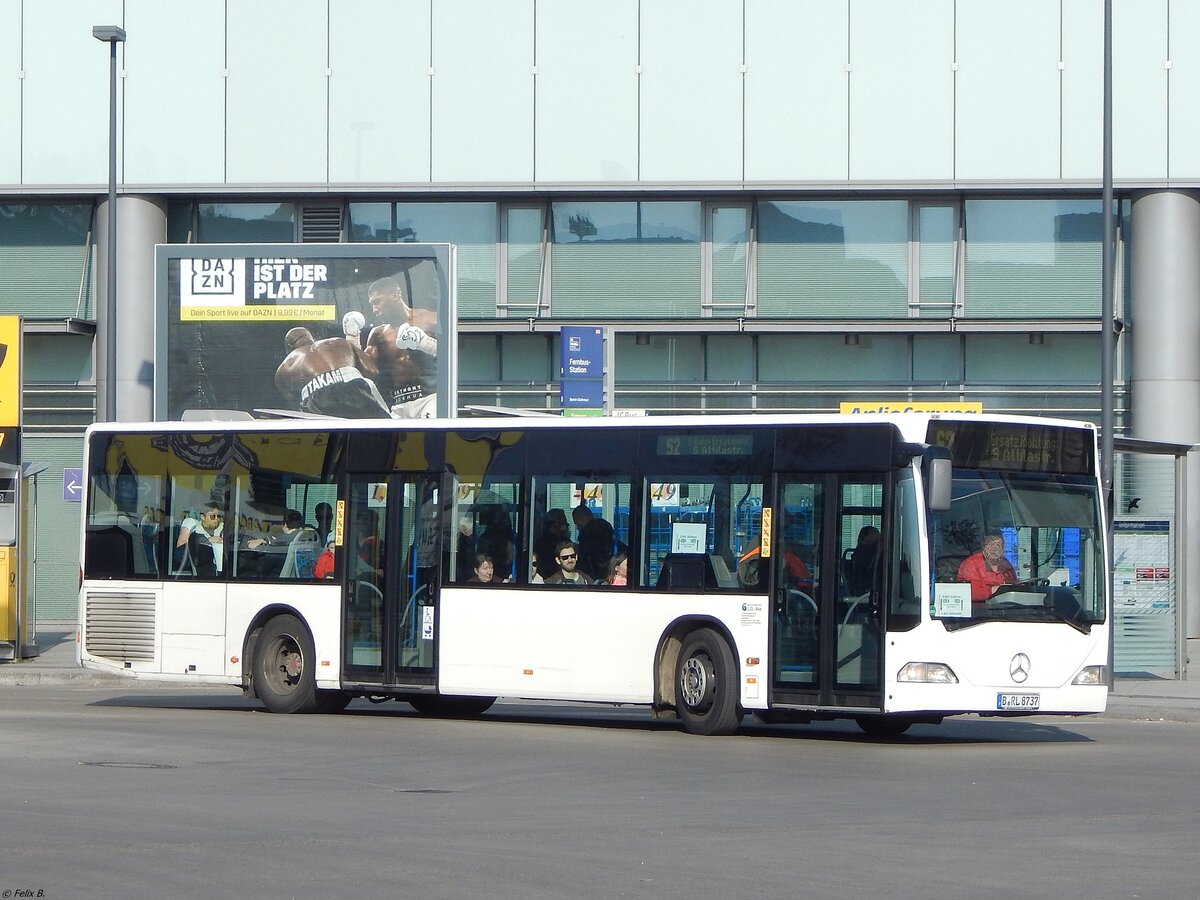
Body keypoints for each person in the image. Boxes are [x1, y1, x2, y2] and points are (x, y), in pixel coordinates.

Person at [273, 326, 391, 418]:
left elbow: (295, 407)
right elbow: (372, 371)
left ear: (289, 347)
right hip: (353, 387)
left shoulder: (285, 367)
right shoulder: (339, 342)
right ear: (312, 338)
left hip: (317, 400)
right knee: (385, 432)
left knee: (322, 442)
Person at [363, 276, 438, 419]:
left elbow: (453, 356)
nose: (374, 309)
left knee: (431, 437)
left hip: (430, 398)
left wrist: (427, 343)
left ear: (395, 295)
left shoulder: (429, 319)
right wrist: (352, 340)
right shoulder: (378, 335)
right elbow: (367, 371)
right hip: (398, 405)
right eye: (372, 304)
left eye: (377, 302)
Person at [957, 532, 1017, 603]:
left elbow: (1013, 586)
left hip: (1005, 607)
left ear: (1003, 548)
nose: (995, 549)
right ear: (984, 547)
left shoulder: (1006, 564)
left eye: (998, 545)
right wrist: (992, 590)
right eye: (991, 545)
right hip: (979, 610)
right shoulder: (972, 563)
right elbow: (967, 591)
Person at [175, 502, 224, 574]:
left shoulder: (222, 529)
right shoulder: (195, 531)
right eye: (212, 516)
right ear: (203, 517)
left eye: (218, 516)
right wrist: (207, 541)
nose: (216, 519)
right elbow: (182, 550)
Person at [573, 504, 616, 582]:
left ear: (581, 520)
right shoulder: (606, 527)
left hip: (593, 574)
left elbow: (585, 558)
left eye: (576, 523)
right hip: (609, 569)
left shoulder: (586, 535)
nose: (577, 527)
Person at [533, 508, 570, 579]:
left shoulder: (540, 541)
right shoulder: (555, 543)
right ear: (556, 524)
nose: (566, 526)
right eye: (564, 522)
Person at [845, 525, 881, 595]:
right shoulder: (864, 552)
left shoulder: (863, 552)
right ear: (866, 537)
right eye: (875, 534)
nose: (878, 537)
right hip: (865, 592)